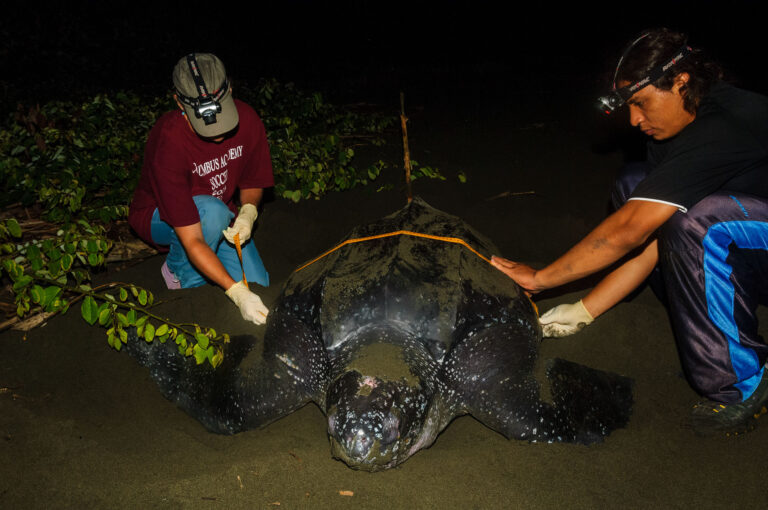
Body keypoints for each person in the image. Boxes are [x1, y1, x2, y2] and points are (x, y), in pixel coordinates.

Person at [491, 28, 768, 436]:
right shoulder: (676, 132)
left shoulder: (730, 120)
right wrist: (585, 310)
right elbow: (654, 239)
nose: (634, 120)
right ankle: (708, 338)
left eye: (640, 103)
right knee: (638, 187)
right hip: (752, 245)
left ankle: (745, 384)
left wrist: (540, 278)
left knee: (700, 220)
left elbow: (630, 231)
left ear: (680, 82)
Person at [129, 53, 272, 325]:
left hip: (218, 212)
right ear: (178, 102)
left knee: (259, 285)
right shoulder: (169, 139)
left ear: (230, 88)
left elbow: (253, 180)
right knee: (211, 214)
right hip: (160, 216)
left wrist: (248, 212)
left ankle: (216, 253)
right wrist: (236, 292)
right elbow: (193, 237)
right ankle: (179, 276)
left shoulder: (249, 120)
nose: (217, 132)